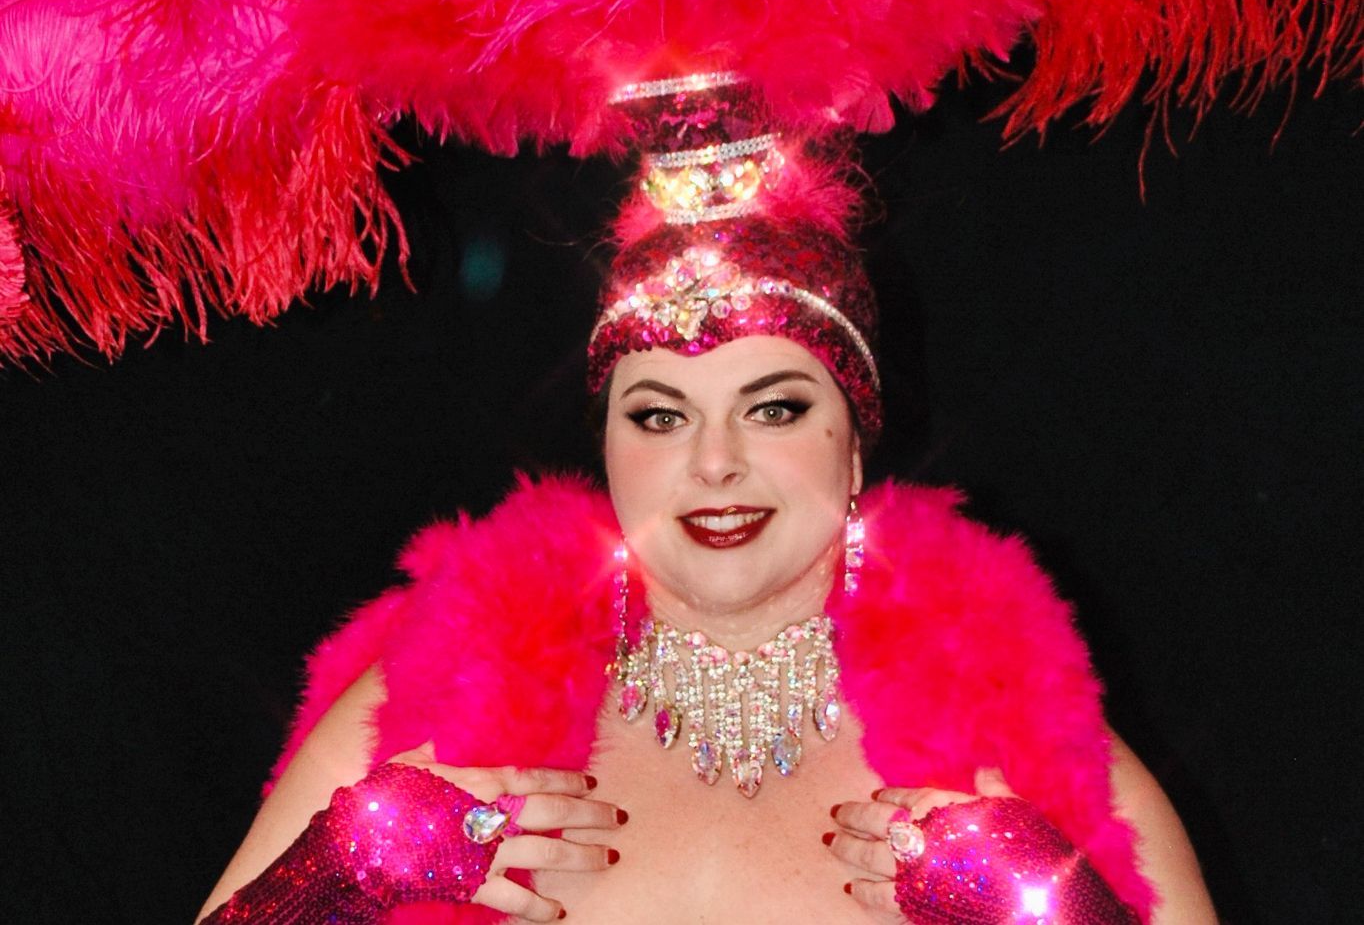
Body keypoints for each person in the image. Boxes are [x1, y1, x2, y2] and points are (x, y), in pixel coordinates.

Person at [194, 76, 1217, 924]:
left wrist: (1061, 908)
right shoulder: (432, 695)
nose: (714, 461)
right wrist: (334, 878)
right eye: (659, 416)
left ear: (853, 445)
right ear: (607, 448)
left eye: (772, 409)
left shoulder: (1014, 730)